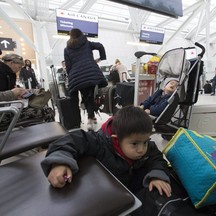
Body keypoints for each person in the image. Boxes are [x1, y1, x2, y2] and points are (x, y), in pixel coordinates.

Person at [41, 106, 172, 209]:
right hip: (106, 196)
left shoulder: (144, 145)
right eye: (135, 144)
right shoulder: (99, 142)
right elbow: (70, 140)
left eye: (145, 142)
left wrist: (157, 175)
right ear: (117, 139)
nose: (142, 149)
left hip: (133, 193)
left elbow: (157, 158)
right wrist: (60, 162)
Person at [64, 28, 108, 130]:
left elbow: (68, 66)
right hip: (90, 73)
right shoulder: (86, 43)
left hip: (76, 76)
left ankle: (77, 121)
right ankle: (90, 118)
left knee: (78, 97)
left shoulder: (67, 49)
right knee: (90, 97)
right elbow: (100, 46)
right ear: (81, 34)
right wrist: (101, 58)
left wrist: (71, 78)